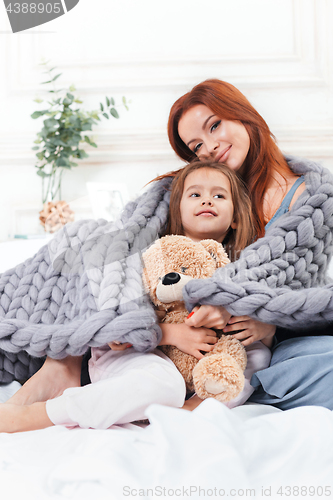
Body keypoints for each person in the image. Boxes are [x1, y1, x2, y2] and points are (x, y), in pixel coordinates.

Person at [0, 159, 271, 431]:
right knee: (164, 384)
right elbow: (122, 319)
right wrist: (171, 333)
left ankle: (198, 405)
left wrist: (260, 327)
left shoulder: (240, 264)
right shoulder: (154, 252)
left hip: (208, 356)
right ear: (177, 209)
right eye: (195, 194)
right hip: (138, 352)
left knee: (258, 356)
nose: (207, 201)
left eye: (219, 195)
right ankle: (46, 414)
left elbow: (263, 307)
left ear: (236, 216)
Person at [167, 78, 333, 411]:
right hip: (212, 339)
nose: (210, 147)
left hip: (288, 340)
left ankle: (234, 389)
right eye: (196, 146)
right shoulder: (211, 197)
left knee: (312, 361)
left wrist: (270, 321)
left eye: (215, 126)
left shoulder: (318, 198)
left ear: (242, 113)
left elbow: (314, 294)